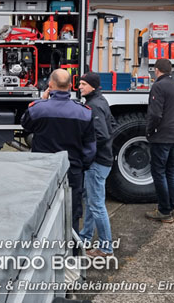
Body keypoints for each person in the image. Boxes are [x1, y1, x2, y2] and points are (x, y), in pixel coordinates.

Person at [21, 68, 96, 232]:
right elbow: (90, 148)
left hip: (43, 170)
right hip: (72, 170)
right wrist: (80, 167)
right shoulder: (84, 113)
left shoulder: (37, 109)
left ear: (50, 85)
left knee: (41, 213)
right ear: (70, 86)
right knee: (72, 215)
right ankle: (72, 255)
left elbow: (25, 125)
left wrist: (42, 100)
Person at [145, 58, 174, 223]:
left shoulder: (158, 86)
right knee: (171, 173)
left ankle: (164, 210)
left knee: (159, 172)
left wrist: (150, 131)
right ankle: (173, 209)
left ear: (157, 70)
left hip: (162, 137)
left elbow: (155, 114)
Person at [78, 72, 116, 257]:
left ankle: (105, 247)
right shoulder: (100, 101)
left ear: (92, 86)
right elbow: (112, 125)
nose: (80, 87)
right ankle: (85, 238)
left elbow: (102, 135)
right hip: (101, 160)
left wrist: (86, 152)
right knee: (91, 201)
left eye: (83, 84)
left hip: (97, 162)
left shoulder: (94, 106)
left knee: (96, 205)